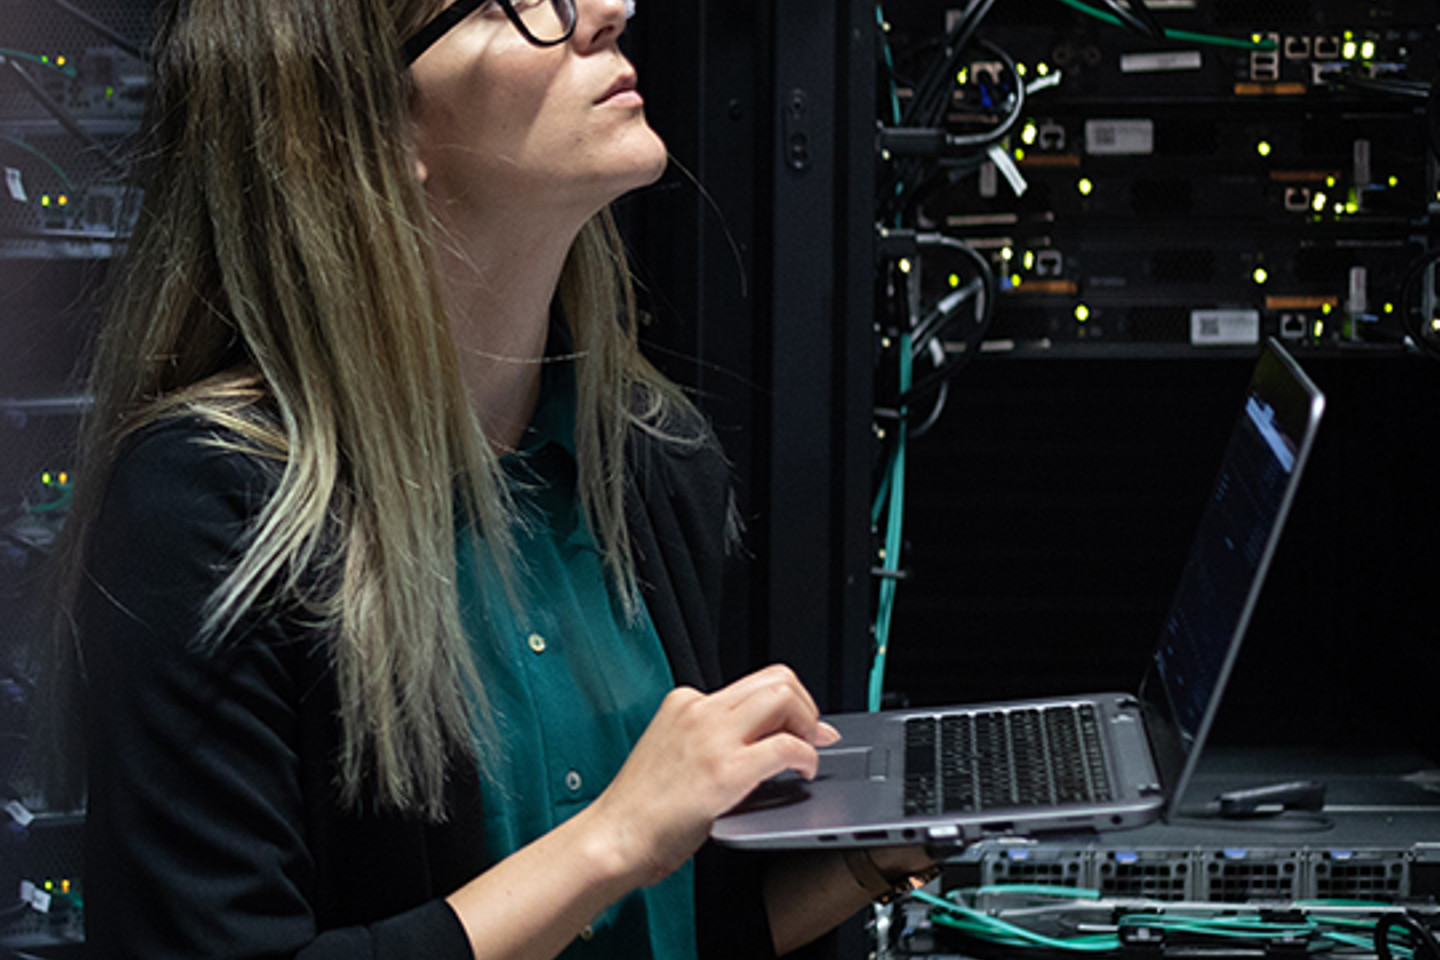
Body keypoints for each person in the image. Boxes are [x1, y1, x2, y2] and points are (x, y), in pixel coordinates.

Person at [39, 0, 936, 957]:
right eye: (525, 2)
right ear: (371, 127)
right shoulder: (208, 506)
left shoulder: (649, 458)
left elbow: (675, 926)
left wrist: (871, 855)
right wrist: (615, 838)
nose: (609, 10)